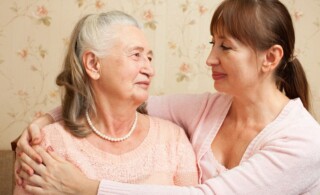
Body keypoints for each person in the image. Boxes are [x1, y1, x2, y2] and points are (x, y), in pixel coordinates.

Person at [15, 0, 320, 194]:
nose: (210, 59)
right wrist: (45, 119)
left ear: (270, 58)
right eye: (212, 44)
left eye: (225, 47)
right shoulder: (208, 108)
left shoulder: (304, 142)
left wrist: (88, 188)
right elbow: (121, 101)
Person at [13, 10, 199, 195]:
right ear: (93, 64)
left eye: (149, 58)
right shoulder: (48, 143)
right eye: (136, 55)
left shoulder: (173, 140)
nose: (150, 69)